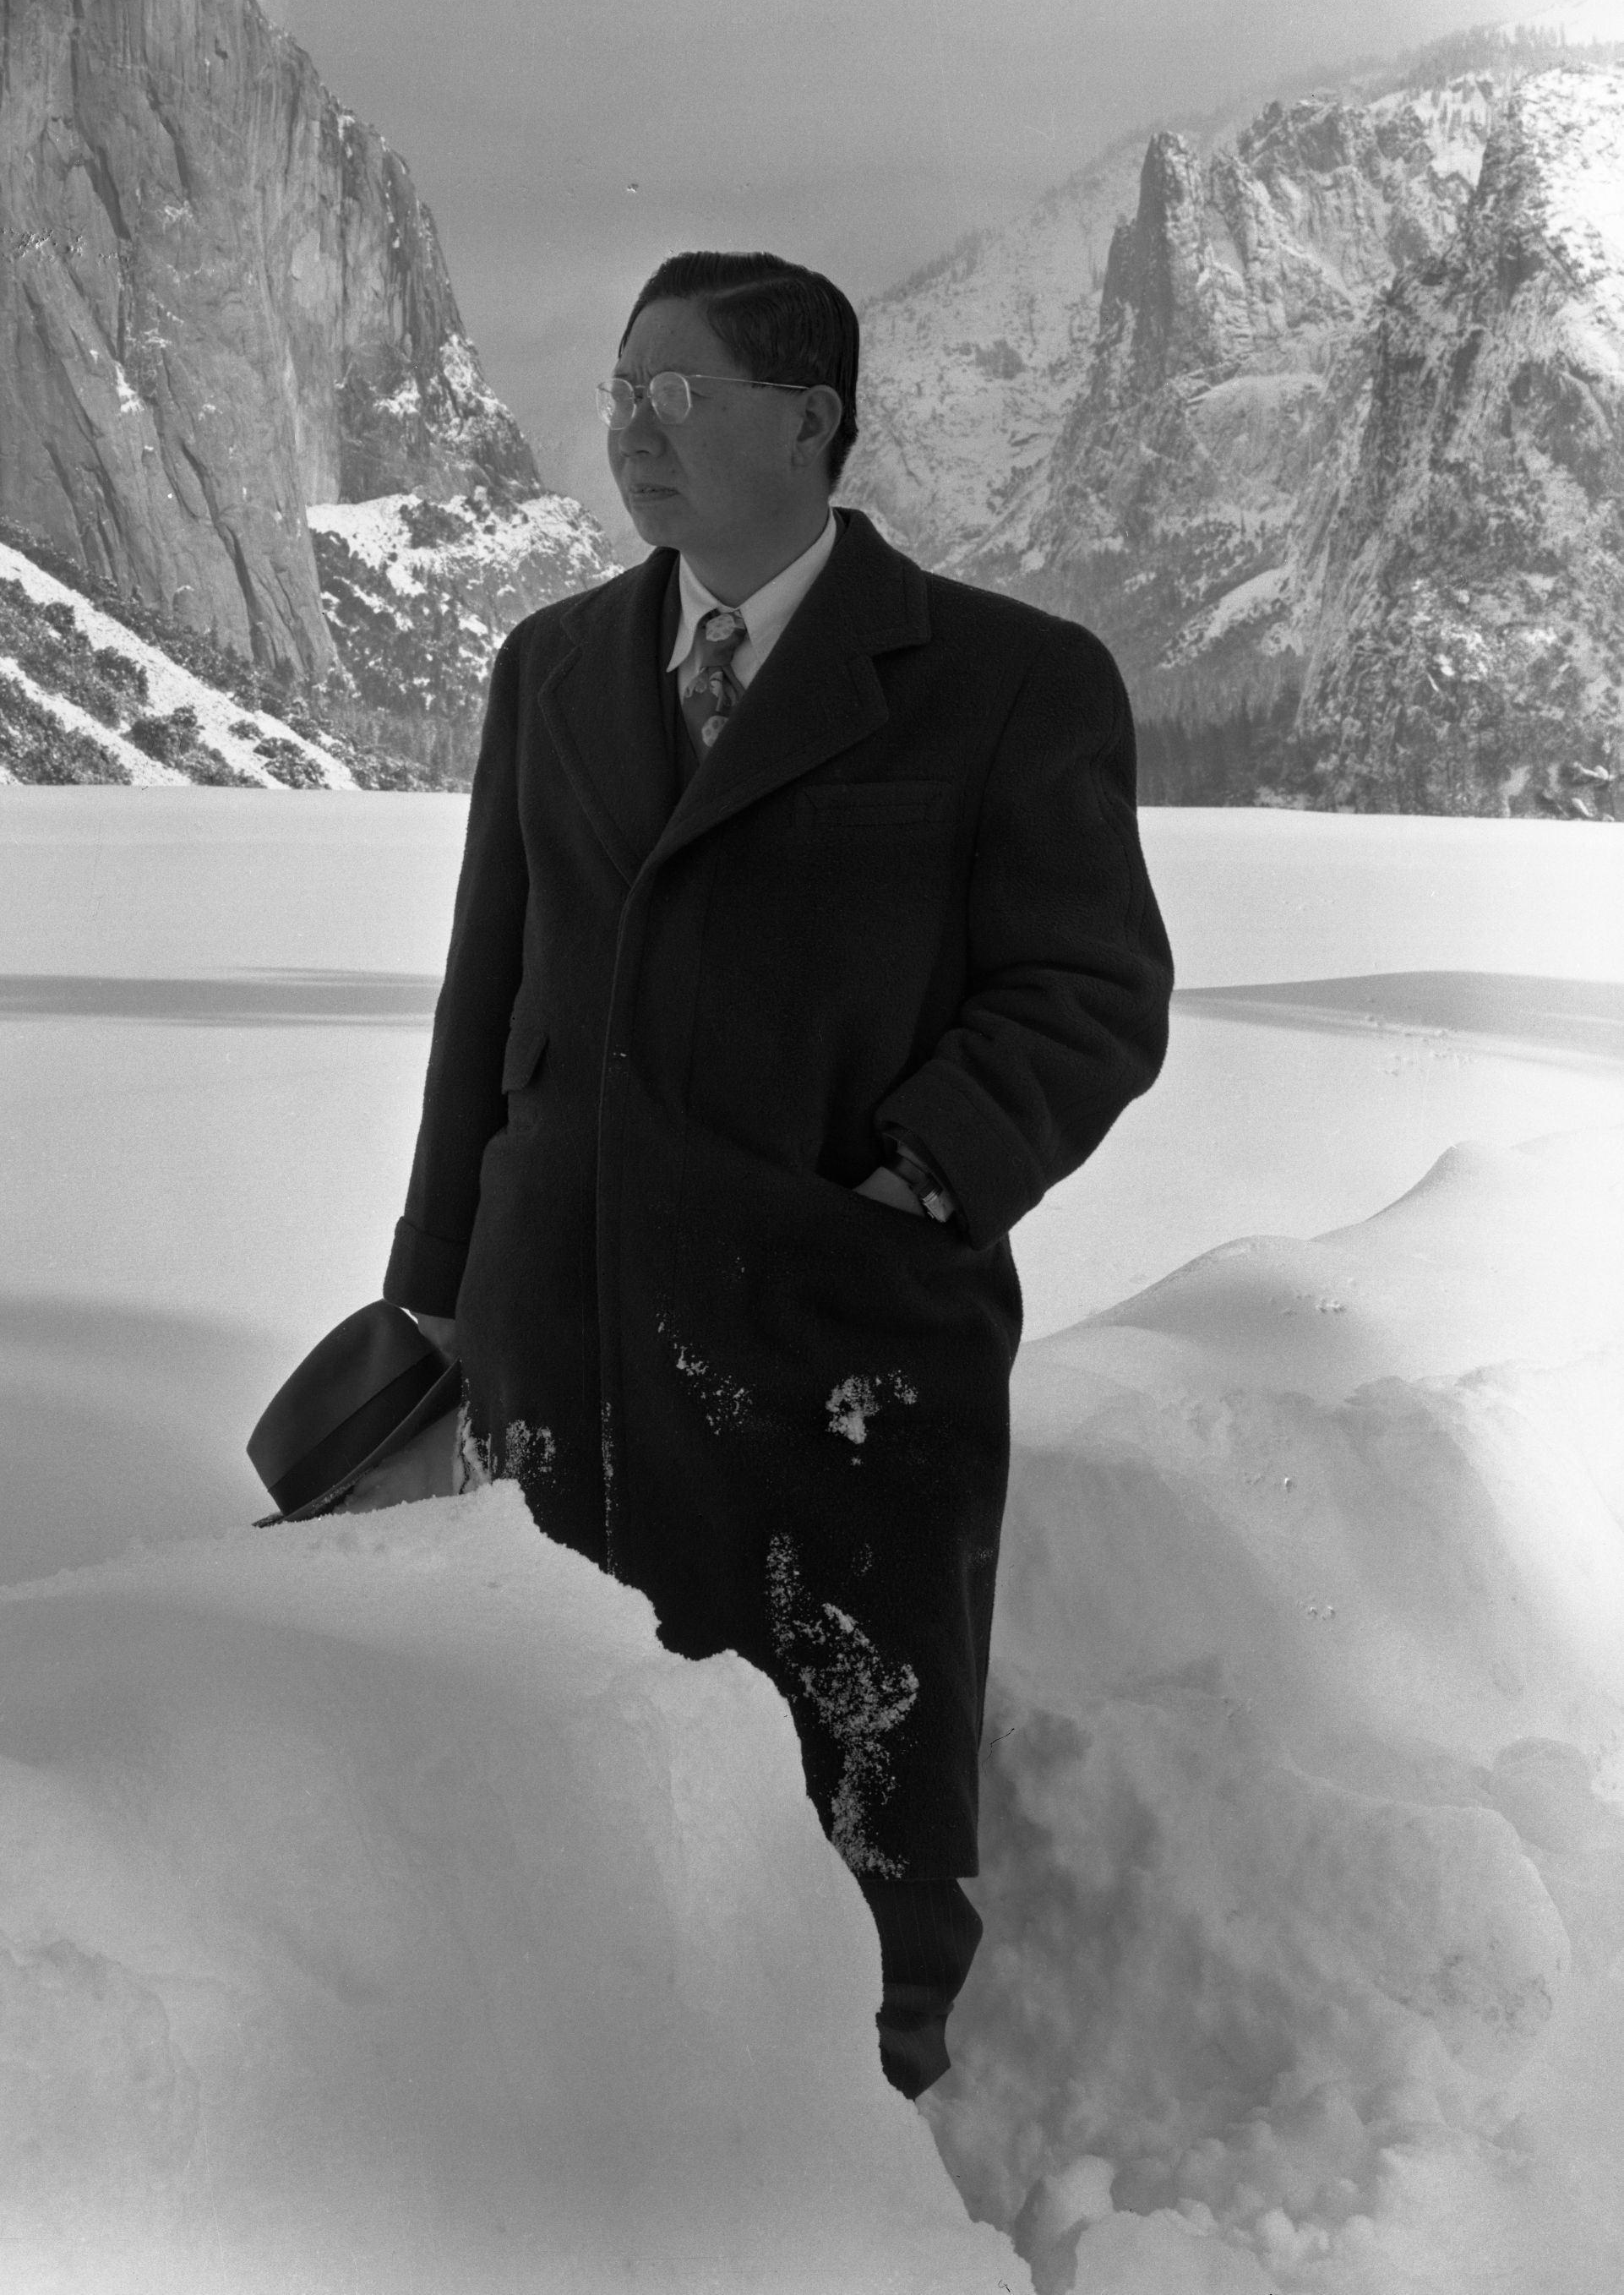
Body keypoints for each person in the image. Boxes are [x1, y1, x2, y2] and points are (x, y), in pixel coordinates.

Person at [381, 249, 1174, 2097]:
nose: (631, 431)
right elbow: (486, 985)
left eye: (679, 394)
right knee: (577, 1719)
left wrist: (922, 1177)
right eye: (621, 393)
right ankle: (594, 2085)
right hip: (563, 1312)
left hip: (836, 1326)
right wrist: (437, 1272)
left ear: (810, 420)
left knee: (855, 1732)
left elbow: (1089, 992)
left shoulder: (1008, 681)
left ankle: (873, 2102)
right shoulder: (552, 666)